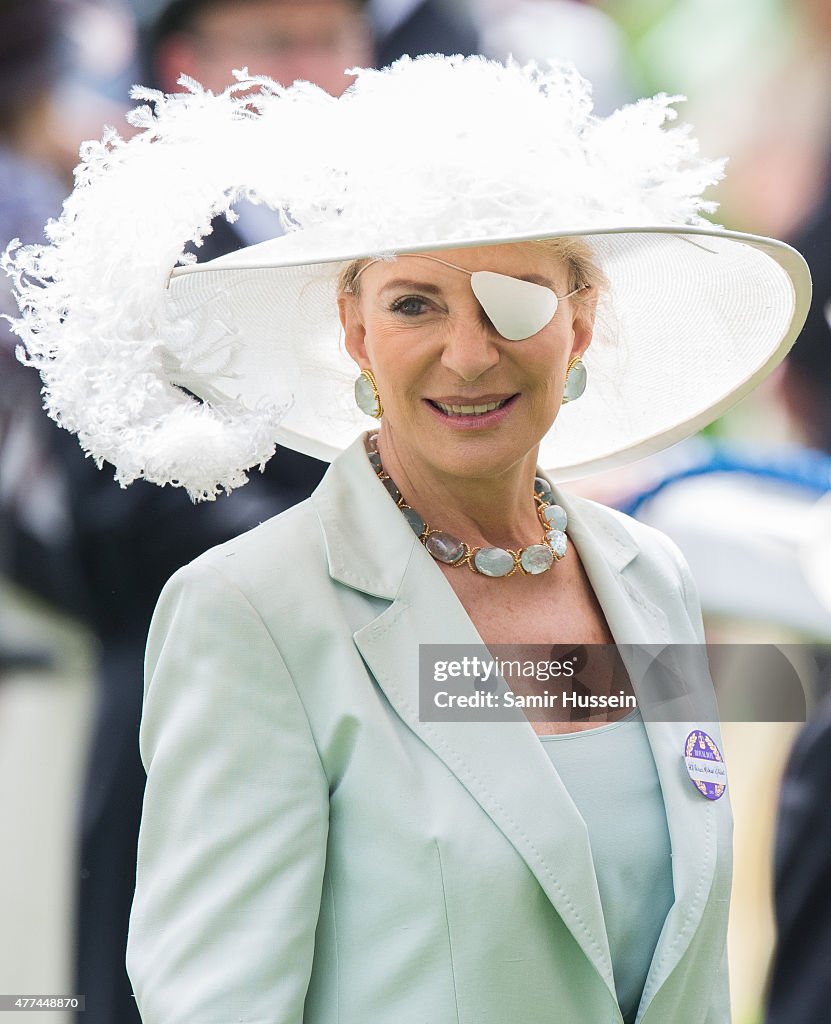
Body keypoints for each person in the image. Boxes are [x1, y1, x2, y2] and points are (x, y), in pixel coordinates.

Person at [4, 55, 809, 1024]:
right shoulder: (255, 610)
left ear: (583, 320)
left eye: (517, 298)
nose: (469, 354)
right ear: (354, 330)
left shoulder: (650, 574)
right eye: (415, 303)